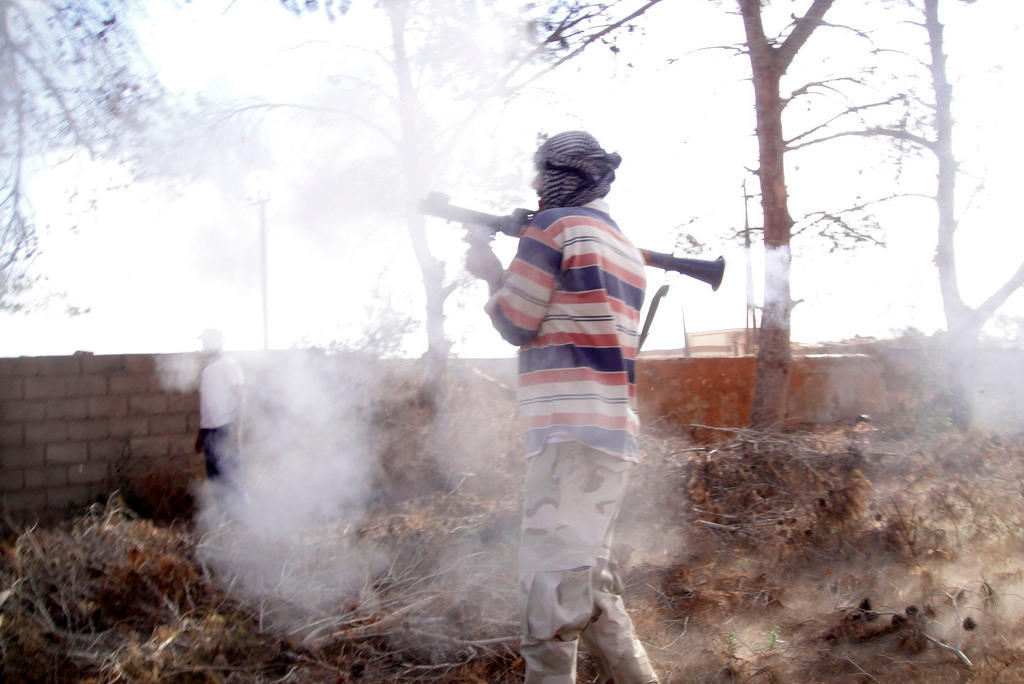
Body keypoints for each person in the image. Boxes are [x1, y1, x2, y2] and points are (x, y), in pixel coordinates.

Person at [465, 131, 659, 684]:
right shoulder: (623, 245)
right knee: (593, 590)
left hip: (568, 440)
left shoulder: (553, 229)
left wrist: (490, 273)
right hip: (612, 438)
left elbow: (514, 321)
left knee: (547, 603)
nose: (534, 184)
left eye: (541, 172)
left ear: (563, 176)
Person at [194, 328, 245, 487]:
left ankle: (239, 512)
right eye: (203, 341)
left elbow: (241, 398)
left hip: (224, 429)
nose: (204, 345)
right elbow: (207, 405)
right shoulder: (207, 371)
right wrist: (200, 435)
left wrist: (236, 432)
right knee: (215, 481)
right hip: (208, 431)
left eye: (207, 341)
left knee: (231, 480)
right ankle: (224, 512)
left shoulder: (229, 365)